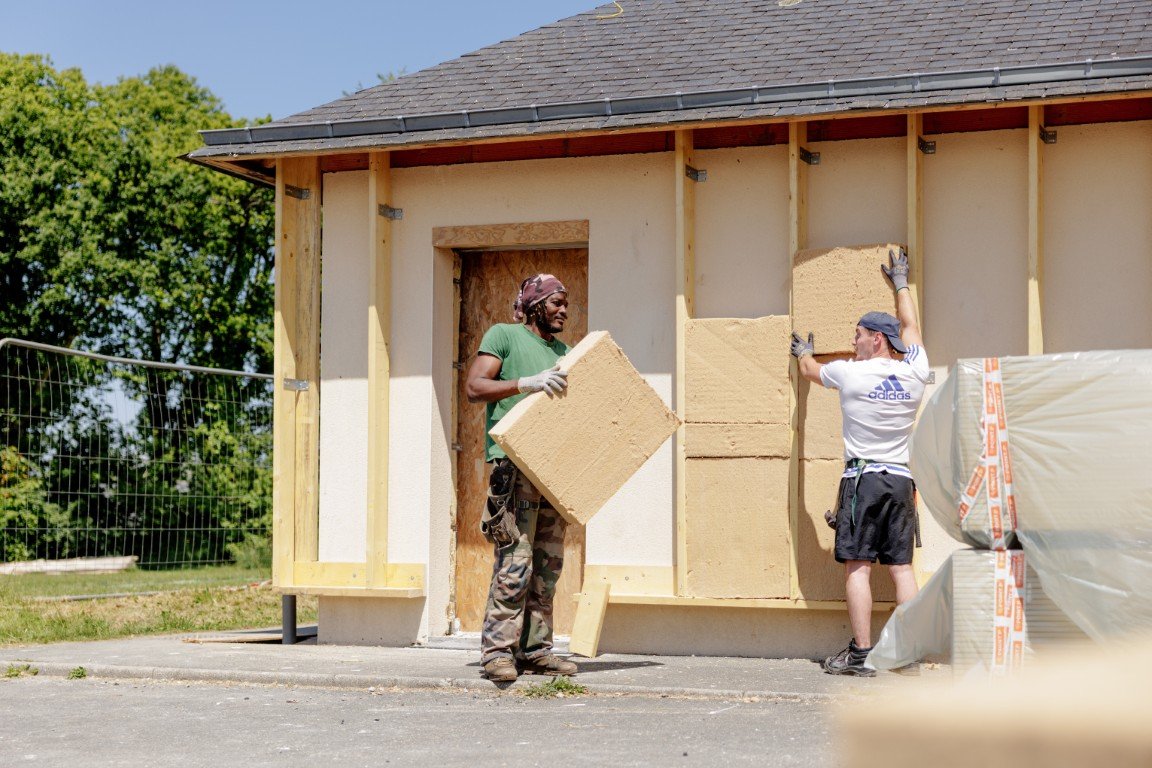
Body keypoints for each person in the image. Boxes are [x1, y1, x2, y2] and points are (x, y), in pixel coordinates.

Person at [790, 248, 928, 677]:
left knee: (858, 565)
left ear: (877, 339)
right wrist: (900, 282)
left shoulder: (850, 373)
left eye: (858, 334)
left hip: (863, 479)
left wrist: (803, 352)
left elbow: (812, 371)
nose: (853, 342)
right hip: (902, 481)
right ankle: (910, 650)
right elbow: (912, 326)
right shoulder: (915, 371)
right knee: (901, 567)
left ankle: (862, 654)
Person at [464, 273, 579, 683]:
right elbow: (475, 387)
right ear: (535, 306)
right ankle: (497, 652)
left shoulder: (565, 353)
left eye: (566, 303)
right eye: (556, 303)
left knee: (547, 568)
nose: (564, 309)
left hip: (552, 471)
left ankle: (536, 651)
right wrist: (524, 384)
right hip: (514, 468)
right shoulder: (505, 336)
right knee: (515, 563)